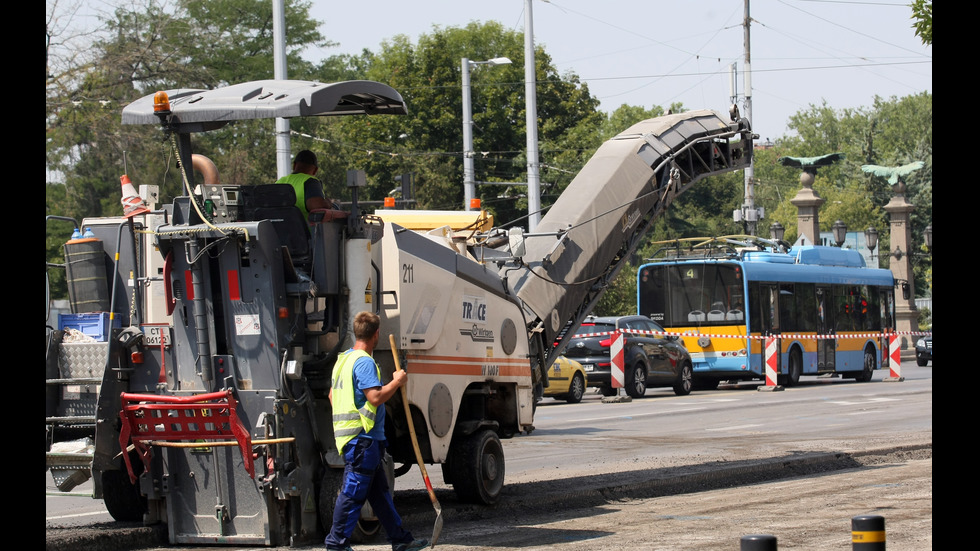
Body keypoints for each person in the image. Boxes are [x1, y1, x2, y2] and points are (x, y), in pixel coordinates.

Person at [325, 311, 429, 551]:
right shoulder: (363, 361)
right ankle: (336, 544)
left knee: (380, 495)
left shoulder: (343, 360)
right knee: (353, 494)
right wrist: (396, 382)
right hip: (364, 440)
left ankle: (401, 540)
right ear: (376, 335)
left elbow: (333, 396)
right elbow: (375, 396)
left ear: (356, 332)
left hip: (358, 439)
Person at [276, 149, 335, 219]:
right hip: (304, 229)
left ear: (294, 165)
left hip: (277, 229)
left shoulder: (279, 182)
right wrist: (327, 203)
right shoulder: (310, 181)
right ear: (315, 170)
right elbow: (317, 205)